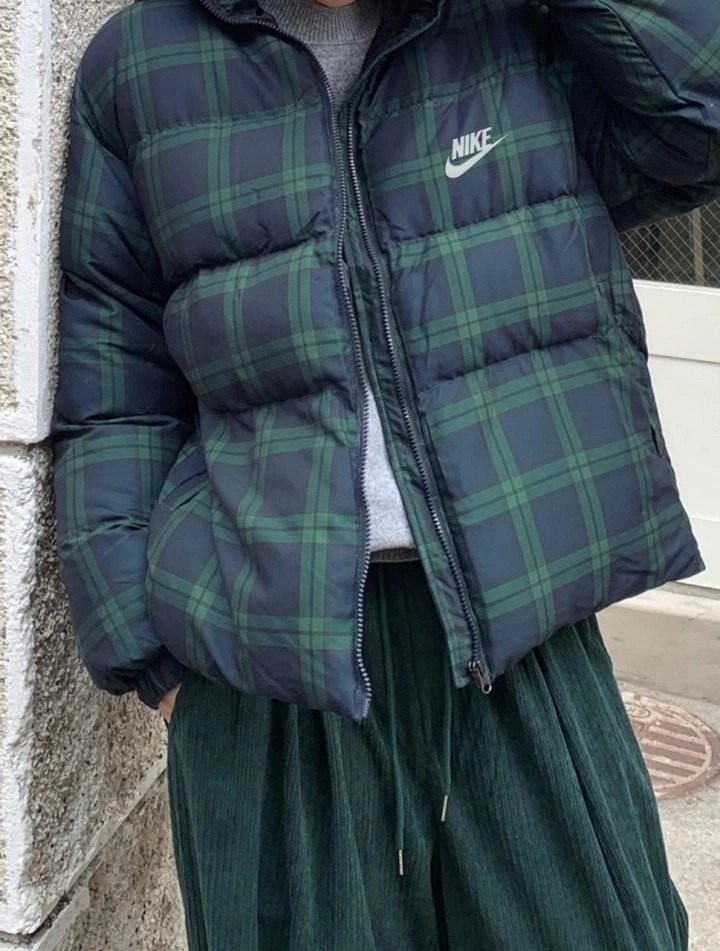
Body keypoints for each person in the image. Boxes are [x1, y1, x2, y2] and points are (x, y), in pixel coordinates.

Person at [50, 0, 719, 946]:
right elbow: (113, 388)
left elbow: (699, 116)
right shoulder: (139, 68)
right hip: (267, 680)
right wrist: (149, 658)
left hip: (522, 645)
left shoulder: (513, 29)